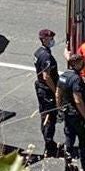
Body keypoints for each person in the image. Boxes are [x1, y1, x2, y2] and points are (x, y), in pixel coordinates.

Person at [56, 54, 85, 171]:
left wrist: (60, 109)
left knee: (69, 141)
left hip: (67, 114)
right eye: (81, 62)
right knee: (83, 141)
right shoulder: (76, 78)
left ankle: (68, 168)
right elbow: (78, 100)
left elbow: (58, 94)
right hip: (77, 115)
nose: (83, 65)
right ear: (76, 64)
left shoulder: (63, 76)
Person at [33, 29, 60, 159]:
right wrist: (55, 91)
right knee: (49, 117)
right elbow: (46, 76)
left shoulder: (39, 52)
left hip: (41, 88)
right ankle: (49, 146)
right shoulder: (46, 56)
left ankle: (49, 142)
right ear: (43, 39)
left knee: (45, 115)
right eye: (49, 38)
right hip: (46, 90)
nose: (52, 40)